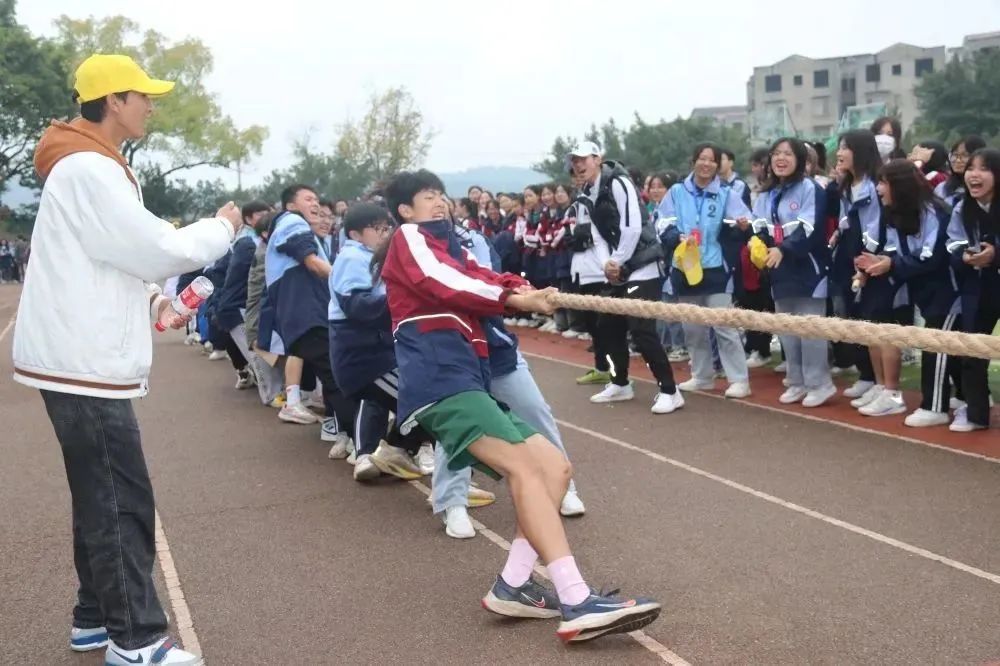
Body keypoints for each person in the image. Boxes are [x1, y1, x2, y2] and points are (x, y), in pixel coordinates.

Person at [12, 54, 242, 666]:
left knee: (101, 493)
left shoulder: (86, 163)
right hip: (82, 359)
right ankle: (135, 640)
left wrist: (155, 302)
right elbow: (156, 248)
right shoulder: (90, 167)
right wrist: (221, 228)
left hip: (77, 355)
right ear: (113, 99)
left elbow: (108, 260)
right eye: (144, 95)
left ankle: (94, 618)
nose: (151, 106)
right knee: (121, 497)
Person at [375, 168, 659, 642]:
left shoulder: (455, 246)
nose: (440, 202)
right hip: (441, 381)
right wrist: (515, 298)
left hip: (468, 379)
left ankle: (513, 584)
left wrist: (523, 290)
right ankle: (575, 599)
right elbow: (444, 281)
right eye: (427, 197)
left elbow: (480, 276)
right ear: (405, 211)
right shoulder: (409, 239)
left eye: (441, 194)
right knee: (526, 469)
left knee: (554, 469)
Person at [567, 142, 683, 414]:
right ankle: (620, 382)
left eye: (584, 159)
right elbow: (596, 235)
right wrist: (606, 264)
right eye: (575, 161)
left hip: (644, 264)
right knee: (606, 325)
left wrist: (617, 261)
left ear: (598, 159)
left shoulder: (618, 183)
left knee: (642, 330)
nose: (579, 165)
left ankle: (670, 390)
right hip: (619, 267)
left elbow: (631, 227)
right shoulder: (586, 193)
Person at [328, 203, 425, 480]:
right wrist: (407, 302)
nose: (385, 234)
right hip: (366, 356)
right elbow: (357, 305)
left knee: (391, 400)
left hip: (373, 353)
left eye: (387, 228)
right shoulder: (353, 257)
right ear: (356, 234)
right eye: (377, 229)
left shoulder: (369, 256)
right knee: (425, 403)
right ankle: (394, 452)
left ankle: (381, 453)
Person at [259, 184, 356, 442]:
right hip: (308, 317)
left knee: (332, 376)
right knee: (339, 377)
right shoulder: (292, 221)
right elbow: (312, 263)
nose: (315, 203)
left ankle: (340, 436)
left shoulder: (294, 228)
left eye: (316, 199)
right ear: (291, 206)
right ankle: (361, 444)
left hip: (303, 317)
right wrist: (349, 281)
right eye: (308, 199)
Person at [868, 159, 959, 427]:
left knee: (936, 347)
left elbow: (932, 257)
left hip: (950, 292)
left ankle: (935, 407)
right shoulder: (896, 214)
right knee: (946, 347)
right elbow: (893, 248)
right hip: (925, 291)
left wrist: (892, 264)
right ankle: (967, 398)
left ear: (900, 185)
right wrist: (879, 261)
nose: (878, 188)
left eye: (883, 182)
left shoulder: (933, 212)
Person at [659, 142, 753, 399]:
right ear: (693, 162)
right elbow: (663, 221)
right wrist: (676, 236)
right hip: (685, 267)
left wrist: (742, 225)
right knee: (693, 328)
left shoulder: (725, 193)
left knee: (724, 326)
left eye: (712, 160)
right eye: (702, 158)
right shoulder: (677, 192)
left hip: (715, 268)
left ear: (718, 165)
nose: (707, 164)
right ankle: (702, 376)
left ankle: (739, 380)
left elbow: (744, 220)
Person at [752, 137, 835, 407]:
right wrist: (758, 244)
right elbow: (759, 226)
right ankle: (796, 381)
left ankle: (820, 383)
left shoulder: (810, 188)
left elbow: (809, 228)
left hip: (808, 269)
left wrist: (784, 249)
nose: (781, 158)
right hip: (778, 270)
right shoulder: (766, 193)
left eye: (788, 154)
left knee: (810, 329)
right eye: (776, 153)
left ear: (800, 159)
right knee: (787, 329)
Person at [946, 148, 1000, 432]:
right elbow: (953, 243)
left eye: (983, 168)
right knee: (972, 351)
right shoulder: (961, 208)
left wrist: (995, 254)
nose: (974, 175)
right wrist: (965, 256)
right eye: (970, 168)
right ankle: (977, 415)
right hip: (977, 286)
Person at [831, 130, 883, 405]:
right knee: (852, 315)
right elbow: (845, 220)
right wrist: (837, 234)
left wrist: (866, 262)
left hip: (867, 258)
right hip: (846, 254)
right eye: (839, 148)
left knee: (871, 317)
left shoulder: (874, 186)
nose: (839, 153)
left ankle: (878, 380)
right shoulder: (847, 184)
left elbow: (875, 226)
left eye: (845, 148)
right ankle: (865, 374)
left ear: (860, 151)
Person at [213, 201, 272, 390]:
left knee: (255, 353)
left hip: (236, 306)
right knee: (257, 356)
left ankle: (258, 383)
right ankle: (271, 395)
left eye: (268, 213)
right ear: (248, 219)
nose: (267, 218)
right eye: (261, 214)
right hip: (237, 308)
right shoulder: (248, 243)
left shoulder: (247, 241)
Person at [935, 136, 987, 208]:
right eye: (955, 155)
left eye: (965, 155)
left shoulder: (986, 189)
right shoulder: (942, 188)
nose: (958, 160)